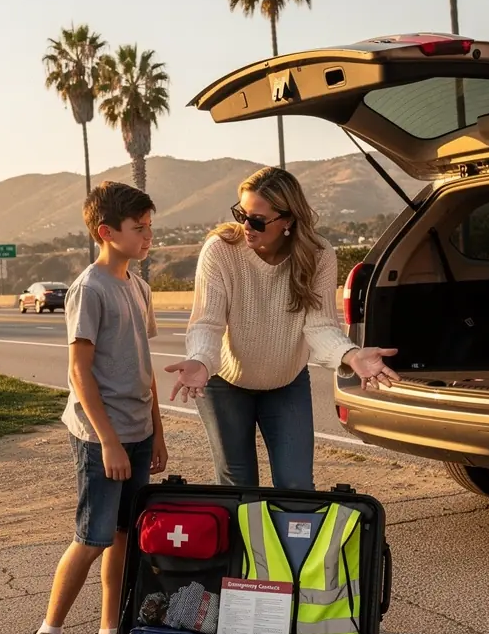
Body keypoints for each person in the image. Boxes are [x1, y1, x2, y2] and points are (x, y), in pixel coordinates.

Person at [17, 181, 167, 634]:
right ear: (106, 232)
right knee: (91, 538)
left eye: (150, 226)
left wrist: (158, 434)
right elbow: (80, 372)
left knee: (125, 537)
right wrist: (108, 440)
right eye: (138, 227)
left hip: (139, 432)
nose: (148, 235)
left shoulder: (139, 288)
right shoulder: (90, 287)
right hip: (99, 436)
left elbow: (143, 370)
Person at [164, 166, 399, 490]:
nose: (246, 226)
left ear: (288, 220)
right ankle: (244, 544)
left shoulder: (317, 255)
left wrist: (351, 355)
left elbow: (319, 325)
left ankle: (288, 542)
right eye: (241, 214)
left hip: (286, 382)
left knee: (297, 486)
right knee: (239, 487)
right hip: (226, 383)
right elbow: (208, 321)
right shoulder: (220, 250)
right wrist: (201, 359)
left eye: (258, 220)